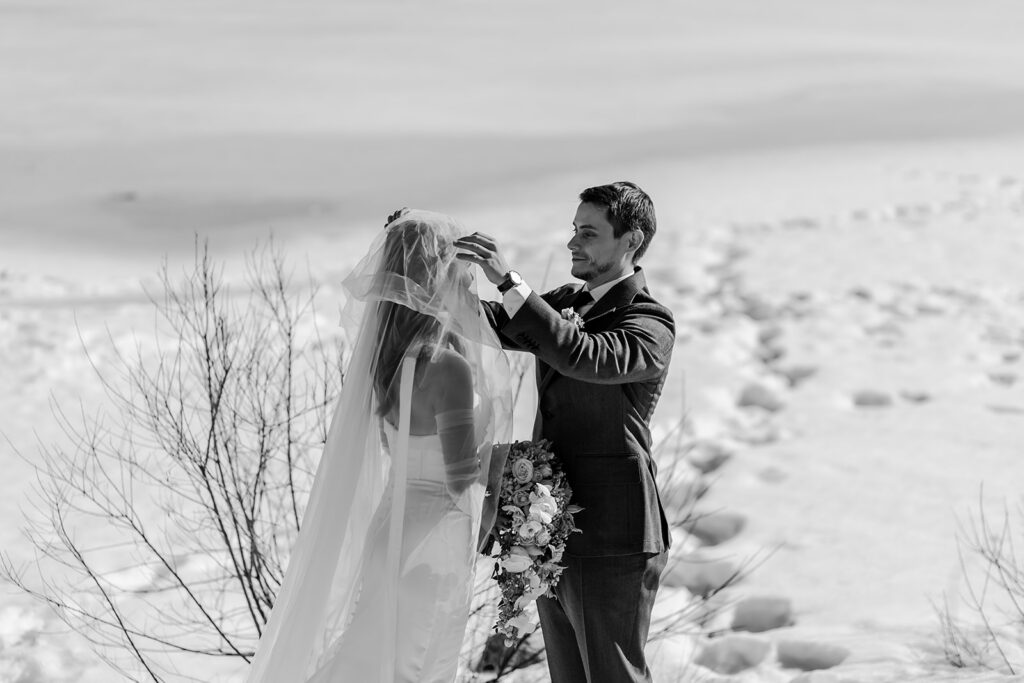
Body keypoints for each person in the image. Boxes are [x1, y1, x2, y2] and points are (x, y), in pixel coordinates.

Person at [245, 211, 513, 682]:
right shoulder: (448, 367)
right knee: (418, 668)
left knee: (373, 662)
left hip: (390, 533)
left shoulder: (388, 360)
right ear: (437, 279)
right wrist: (504, 469)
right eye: (457, 271)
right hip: (434, 542)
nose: (467, 283)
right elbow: (458, 476)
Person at [454, 181, 675, 683]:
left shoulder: (650, 323)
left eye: (589, 233)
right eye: (574, 230)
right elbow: (489, 324)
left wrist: (510, 282)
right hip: (550, 526)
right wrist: (427, 268)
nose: (573, 243)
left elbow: (581, 355)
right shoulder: (563, 303)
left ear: (631, 240)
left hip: (615, 534)